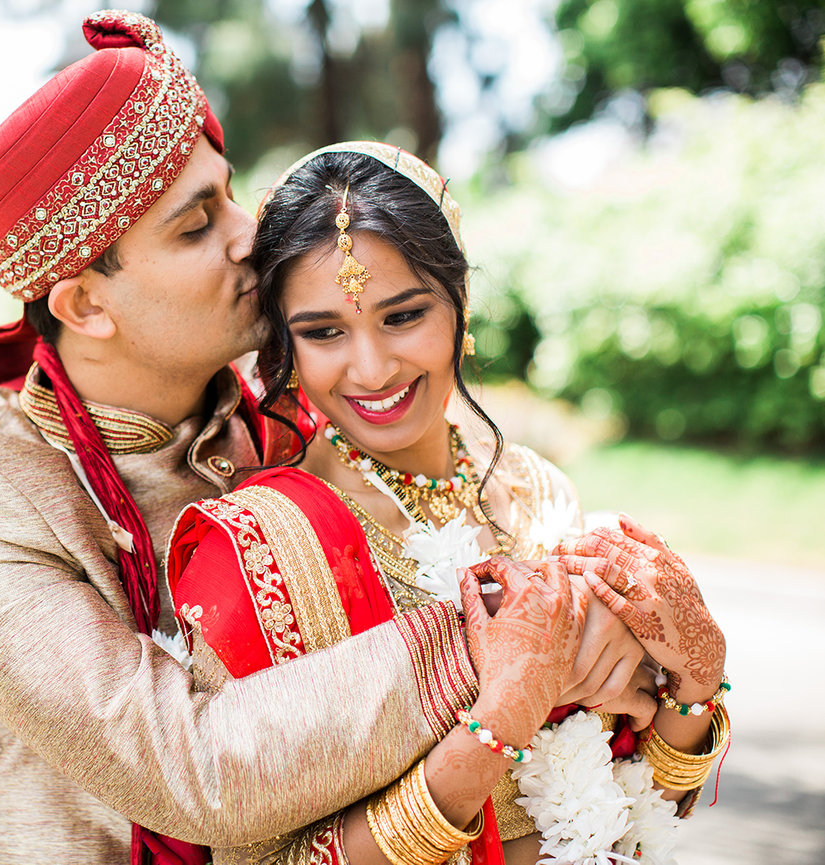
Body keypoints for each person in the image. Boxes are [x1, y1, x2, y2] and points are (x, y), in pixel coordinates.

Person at [0, 13, 644, 865]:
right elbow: (192, 766)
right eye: (195, 224)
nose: (250, 234)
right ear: (87, 306)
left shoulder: (303, 411)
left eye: (228, 192)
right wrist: (499, 631)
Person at [166, 142, 731, 864]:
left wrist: (694, 686)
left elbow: (634, 802)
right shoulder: (257, 549)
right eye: (323, 331)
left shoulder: (536, 492)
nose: (370, 368)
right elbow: (264, 858)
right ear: (285, 344)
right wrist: (492, 727)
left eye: (402, 316)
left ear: (460, 307)